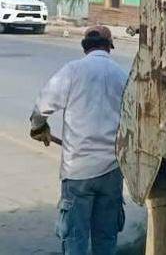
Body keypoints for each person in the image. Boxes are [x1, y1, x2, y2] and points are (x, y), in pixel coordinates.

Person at [30, 25, 128, 255]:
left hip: (78, 171)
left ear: (85, 47)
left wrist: (39, 126)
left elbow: (42, 107)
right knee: (106, 239)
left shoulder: (72, 71)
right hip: (112, 170)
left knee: (75, 240)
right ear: (109, 47)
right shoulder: (122, 76)